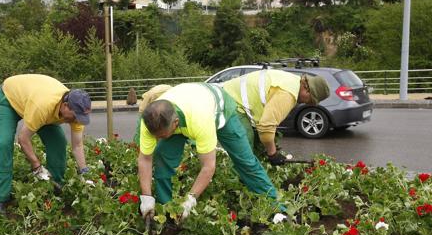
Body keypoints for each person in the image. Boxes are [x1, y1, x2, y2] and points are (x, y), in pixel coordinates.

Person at [137, 83, 283, 222]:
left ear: (175, 124)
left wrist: (190, 199)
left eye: (161, 136)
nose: (157, 139)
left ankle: (276, 207)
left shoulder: (200, 120)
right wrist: (146, 196)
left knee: (245, 161)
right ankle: (167, 209)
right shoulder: (150, 121)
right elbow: (145, 159)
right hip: (184, 110)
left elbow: (208, 167)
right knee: (162, 156)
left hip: (219, 109)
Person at [0, 74, 92, 213]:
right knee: (4, 144)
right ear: (65, 106)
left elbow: (77, 145)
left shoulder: (76, 115)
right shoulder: (43, 106)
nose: (76, 120)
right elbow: (23, 139)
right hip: (9, 97)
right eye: (75, 116)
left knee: (58, 142)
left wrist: (84, 172)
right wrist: (37, 166)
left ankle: (55, 186)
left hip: (34, 99)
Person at [222, 69, 330, 165]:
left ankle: (245, 178)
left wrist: (269, 144)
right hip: (230, 101)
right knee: (245, 145)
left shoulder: (293, 81)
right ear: (307, 89)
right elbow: (266, 127)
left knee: (253, 145)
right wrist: (273, 154)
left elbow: (266, 122)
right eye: (310, 100)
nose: (307, 104)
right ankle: (237, 182)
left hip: (230, 97)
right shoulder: (288, 94)